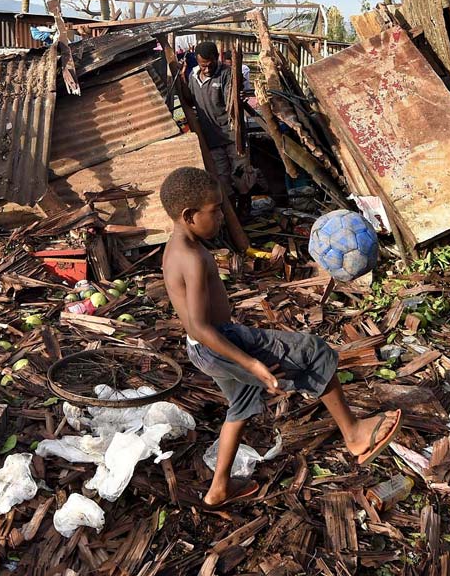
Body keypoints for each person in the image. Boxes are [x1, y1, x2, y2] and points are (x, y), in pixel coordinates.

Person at [160, 166, 403, 508]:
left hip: (201, 350)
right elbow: (201, 325)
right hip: (220, 342)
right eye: (214, 212)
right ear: (189, 215)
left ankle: (218, 489)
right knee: (315, 352)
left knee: (241, 405)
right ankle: (354, 434)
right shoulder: (193, 258)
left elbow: (196, 329)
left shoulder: (175, 248)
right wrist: (252, 363)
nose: (220, 218)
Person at [186, 41, 248, 204]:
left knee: (240, 174)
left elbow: (231, 97)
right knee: (221, 178)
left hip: (232, 137)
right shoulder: (193, 77)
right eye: (202, 65)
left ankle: (244, 207)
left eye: (209, 65)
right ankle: (230, 212)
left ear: (216, 58)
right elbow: (189, 100)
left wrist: (238, 97)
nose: (206, 69)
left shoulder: (226, 74)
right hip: (211, 139)